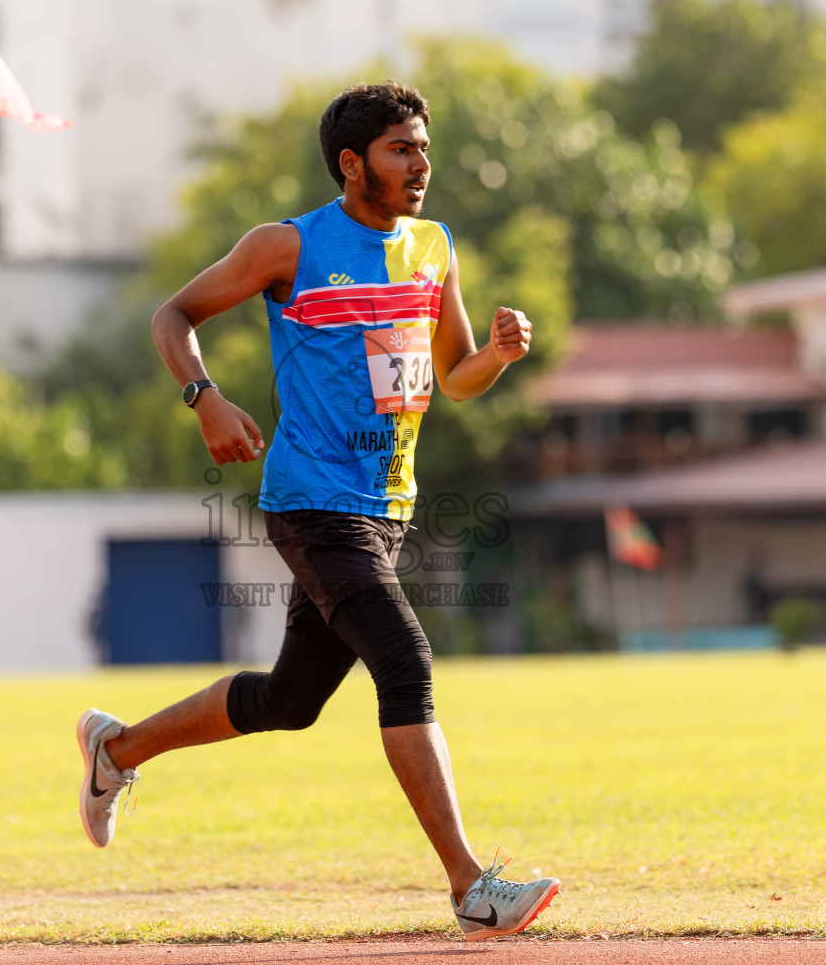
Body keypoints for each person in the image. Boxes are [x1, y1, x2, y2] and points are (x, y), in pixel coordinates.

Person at [76, 81, 559, 941]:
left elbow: (454, 378)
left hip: (387, 510)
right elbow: (173, 315)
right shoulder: (288, 246)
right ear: (352, 163)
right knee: (405, 662)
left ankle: (117, 750)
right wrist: (205, 399)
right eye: (401, 149)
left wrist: (497, 355)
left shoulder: (434, 246)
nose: (420, 164)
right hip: (310, 501)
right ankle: (471, 888)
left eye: (423, 147)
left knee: (292, 699)